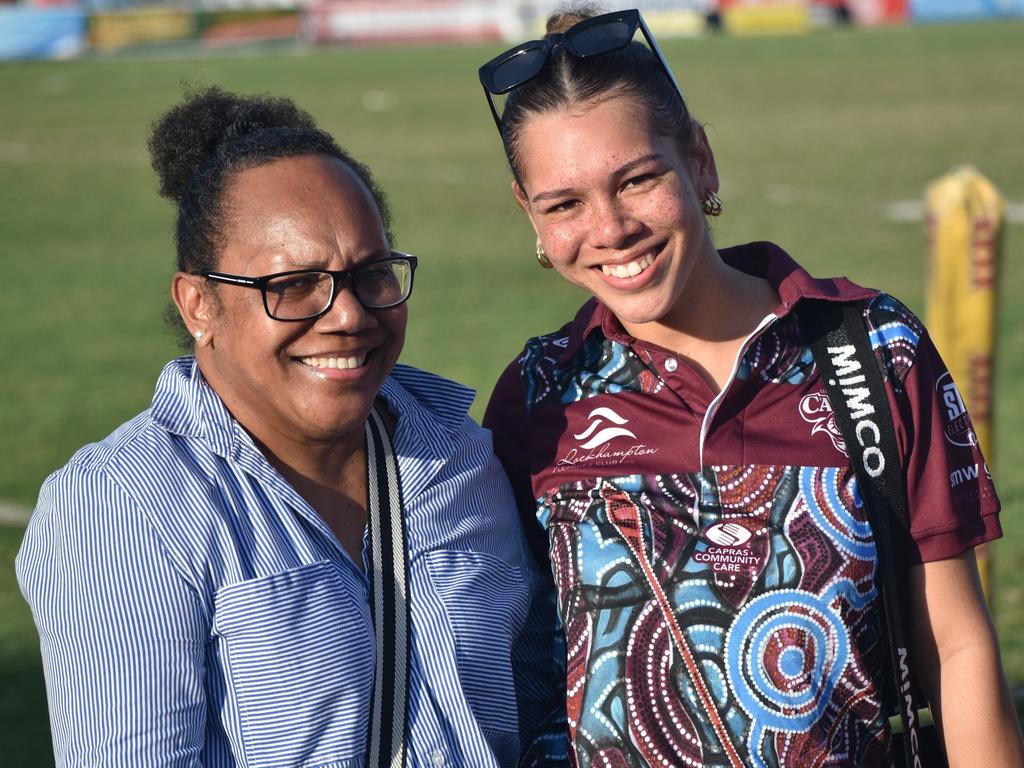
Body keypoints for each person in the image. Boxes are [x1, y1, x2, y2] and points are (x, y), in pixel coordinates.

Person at [478, 6, 1024, 767]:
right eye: (563, 204)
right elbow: (514, 670)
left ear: (699, 159)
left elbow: (958, 648)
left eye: (637, 180)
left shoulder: (874, 349)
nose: (609, 228)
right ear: (530, 217)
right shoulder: (537, 396)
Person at [16, 86, 549, 767]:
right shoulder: (125, 505)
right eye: (293, 285)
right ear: (199, 305)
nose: (348, 314)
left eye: (371, 275)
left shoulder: (463, 463)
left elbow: (535, 710)